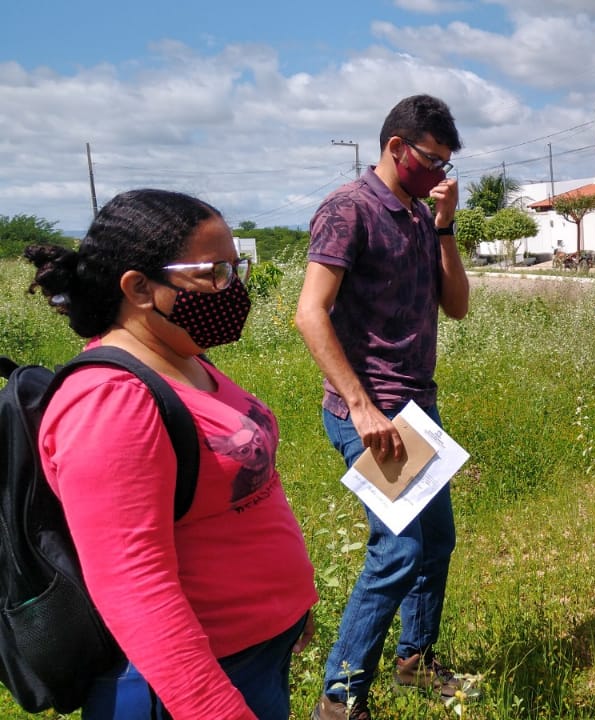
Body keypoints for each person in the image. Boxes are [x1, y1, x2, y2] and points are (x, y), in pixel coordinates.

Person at [26, 189, 318, 719]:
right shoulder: (109, 403)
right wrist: (215, 709)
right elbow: (133, 587)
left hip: (254, 654)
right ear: (139, 288)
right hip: (190, 684)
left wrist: (291, 604)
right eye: (213, 272)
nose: (231, 288)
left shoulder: (183, 356)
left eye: (236, 268)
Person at [295, 93, 469, 720]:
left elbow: (456, 306)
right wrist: (361, 407)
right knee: (397, 552)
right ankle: (340, 698)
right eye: (431, 160)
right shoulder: (349, 210)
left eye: (448, 165)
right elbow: (309, 312)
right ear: (396, 148)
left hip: (416, 410)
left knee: (437, 541)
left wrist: (447, 227)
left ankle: (415, 660)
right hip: (369, 416)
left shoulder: (422, 216)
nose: (440, 174)